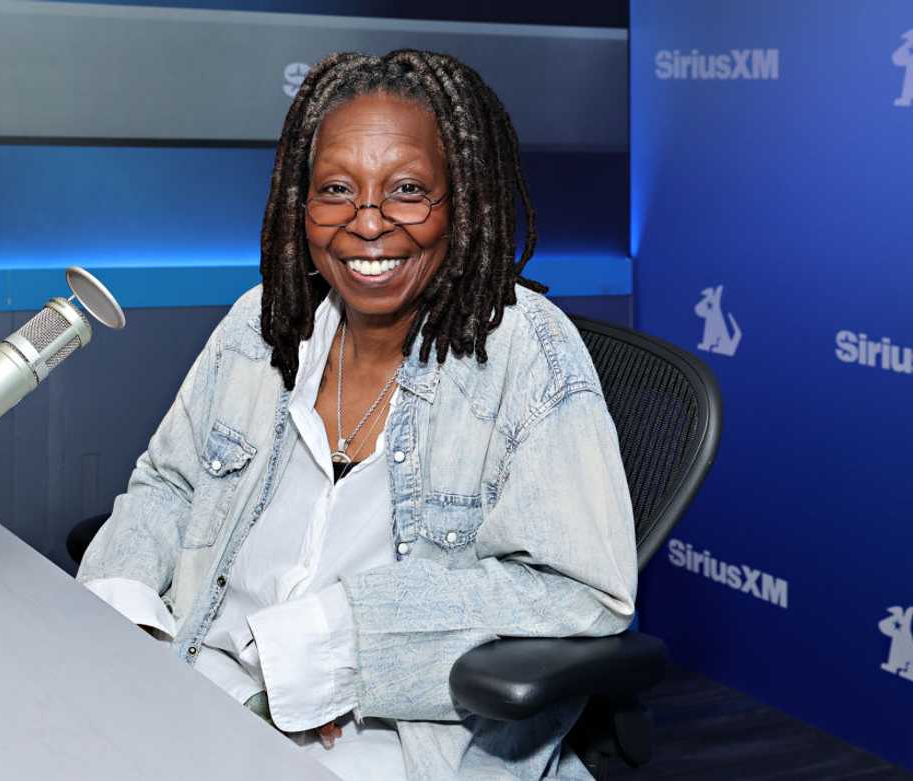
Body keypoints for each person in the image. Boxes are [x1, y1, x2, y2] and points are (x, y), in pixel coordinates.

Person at [76, 49, 637, 780]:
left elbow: (580, 595)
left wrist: (342, 651)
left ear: (461, 200)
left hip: (389, 744)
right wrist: (126, 625)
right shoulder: (260, 325)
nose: (368, 225)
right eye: (337, 189)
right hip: (198, 688)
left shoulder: (528, 354)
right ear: (298, 203)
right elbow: (168, 487)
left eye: (408, 190)